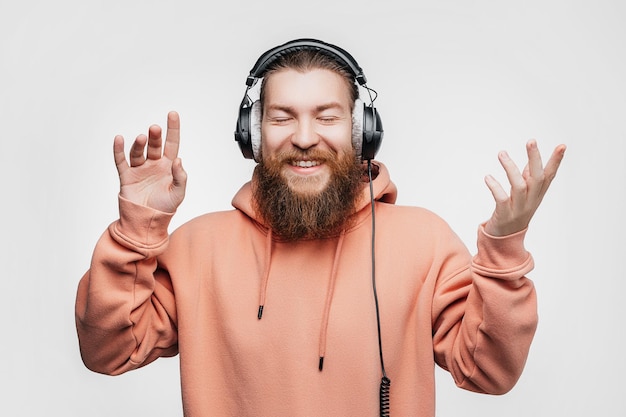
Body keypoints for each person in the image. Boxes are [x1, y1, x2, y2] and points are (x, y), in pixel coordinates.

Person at [75, 38, 566, 417]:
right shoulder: (197, 248)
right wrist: (136, 228)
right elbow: (109, 351)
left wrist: (503, 250)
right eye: (282, 117)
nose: (305, 138)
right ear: (252, 134)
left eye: (327, 117)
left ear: (360, 132)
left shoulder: (425, 243)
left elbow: (490, 372)